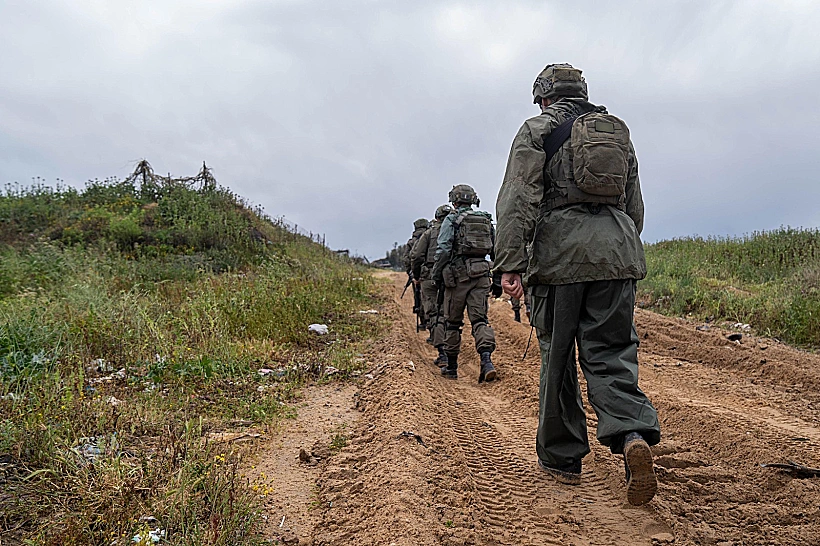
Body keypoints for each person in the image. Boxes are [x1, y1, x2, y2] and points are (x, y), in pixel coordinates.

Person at [493, 63, 661, 506]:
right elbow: (634, 206)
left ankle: (562, 458)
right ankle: (631, 434)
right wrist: (618, 251)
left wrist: (510, 263)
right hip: (618, 255)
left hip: (560, 258)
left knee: (558, 358)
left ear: (544, 98)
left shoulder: (537, 130)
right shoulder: (616, 131)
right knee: (611, 352)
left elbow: (517, 199)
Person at [432, 185, 501, 383]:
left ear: (454, 201)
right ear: (473, 200)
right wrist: (497, 278)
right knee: (480, 320)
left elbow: (443, 249)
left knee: (453, 323)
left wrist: (437, 275)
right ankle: (486, 362)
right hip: (481, 275)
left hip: (458, 278)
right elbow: (496, 250)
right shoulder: (485, 219)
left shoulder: (452, 220)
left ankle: (452, 367)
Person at [411, 204, 453, 365]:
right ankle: (451, 352)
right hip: (451, 277)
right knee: (450, 314)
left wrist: (416, 276)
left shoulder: (429, 233)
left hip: (429, 277)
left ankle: (443, 353)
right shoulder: (456, 230)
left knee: (435, 313)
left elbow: (416, 256)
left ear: (436, 217)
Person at [403, 218, 429, 329]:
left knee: (418, 296)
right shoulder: (431, 236)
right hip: (430, 272)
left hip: (417, 273)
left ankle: (423, 321)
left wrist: (411, 273)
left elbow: (407, 259)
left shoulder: (411, 242)